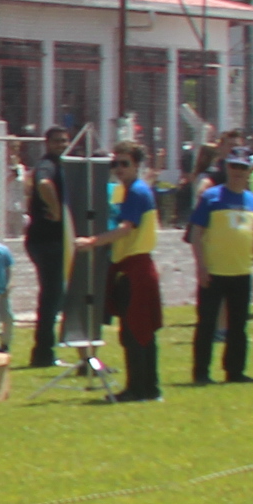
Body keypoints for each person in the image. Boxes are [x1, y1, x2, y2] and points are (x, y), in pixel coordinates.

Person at [184, 151, 253, 385]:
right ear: (227, 168)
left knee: (239, 326)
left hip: (241, 270)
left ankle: (235, 371)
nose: (238, 172)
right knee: (207, 324)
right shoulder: (211, 197)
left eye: (243, 168)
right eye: (234, 167)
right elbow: (197, 234)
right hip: (215, 270)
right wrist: (201, 267)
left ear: (249, 171)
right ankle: (201, 373)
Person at [94, 141, 163, 402]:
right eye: (116, 164)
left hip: (138, 269)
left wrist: (93, 242)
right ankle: (143, 387)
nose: (119, 168)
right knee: (131, 332)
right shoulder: (123, 191)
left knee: (138, 331)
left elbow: (125, 228)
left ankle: (143, 388)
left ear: (136, 165)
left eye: (125, 163)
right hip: (127, 268)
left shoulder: (137, 191)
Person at [24, 125, 71, 369]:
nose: (61, 145)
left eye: (64, 141)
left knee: (54, 296)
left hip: (50, 241)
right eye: (56, 141)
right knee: (51, 297)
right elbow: (43, 184)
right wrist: (56, 210)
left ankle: (46, 350)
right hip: (46, 241)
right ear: (47, 143)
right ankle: (43, 353)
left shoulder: (63, 164)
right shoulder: (48, 164)